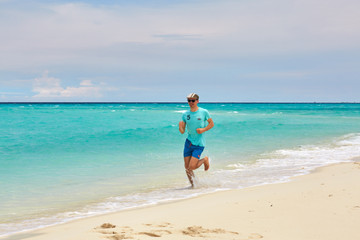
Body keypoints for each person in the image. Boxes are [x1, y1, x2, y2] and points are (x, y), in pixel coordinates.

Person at [179, 93, 214, 187]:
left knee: (192, 166)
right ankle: (193, 185)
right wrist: (180, 127)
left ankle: (205, 160)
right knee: (187, 168)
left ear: (197, 101)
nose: (191, 102)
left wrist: (203, 129)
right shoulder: (185, 114)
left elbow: (211, 124)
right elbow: (182, 131)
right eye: (189, 101)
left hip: (199, 144)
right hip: (188, 143)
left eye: (193, 100)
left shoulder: (204, 112)